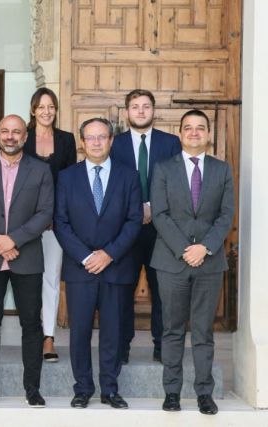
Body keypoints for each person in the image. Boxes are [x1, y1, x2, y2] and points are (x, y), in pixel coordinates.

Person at [53, 117, 142, 410]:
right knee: (79, 332)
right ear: (82, 142)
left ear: (111, 141)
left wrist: (109, 254)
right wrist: (86, 256)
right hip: (81, 268)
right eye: (90, 137)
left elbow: (133, 221)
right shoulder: (67, 177)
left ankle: (110, 389)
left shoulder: (129, 176)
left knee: (113, 332)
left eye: (101, 137)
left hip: (116, 267)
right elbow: (61, 222)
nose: (96, 142)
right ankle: (83, 388)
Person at [0, 115, 53, 408]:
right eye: (5, 131)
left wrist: (13, 240)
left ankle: (33, 389)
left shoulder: (40, 170)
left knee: (31, 324)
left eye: (16, 132)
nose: (11, 136)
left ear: (25, 137)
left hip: (26, 256)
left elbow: (44, 213)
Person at [150, 110, 234, 415]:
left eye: (200, 128)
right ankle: (171, 392)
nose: (194, 133)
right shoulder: (162, 168)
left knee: (203, 331)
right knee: (171, 330)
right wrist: (186, 248)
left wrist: (206, 248)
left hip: (209, 263)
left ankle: (204, 394)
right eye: (189, 128)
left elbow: (226, 215)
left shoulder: (222, 170)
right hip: (172, 261)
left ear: (208, 134)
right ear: (180, 133)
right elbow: (159, 214)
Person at [111, 89, 181, 364]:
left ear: (154, 111)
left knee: (162, 291)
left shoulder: (171, 143)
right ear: (127, 111)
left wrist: (153, 206)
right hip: (124, 230)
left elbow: (177, 184)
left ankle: (162, 347)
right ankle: (122, 348)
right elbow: (111, 186)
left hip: (162, 230)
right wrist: (135, 209)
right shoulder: (114, 145)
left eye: (146, 106)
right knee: (122, 291)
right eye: (135, 106)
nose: (141, 111)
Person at [23, 88, 77, 363]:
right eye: (41, 107)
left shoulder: (66, 140)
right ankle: (30, 333)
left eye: (51, 107)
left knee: (51, 280)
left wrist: (58, 218)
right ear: (33, 110)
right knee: (25, 279)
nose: (46, 111)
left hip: (55, 223)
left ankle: (48, 337)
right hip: (24, 223)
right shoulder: (23, 137)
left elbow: (69, 182)